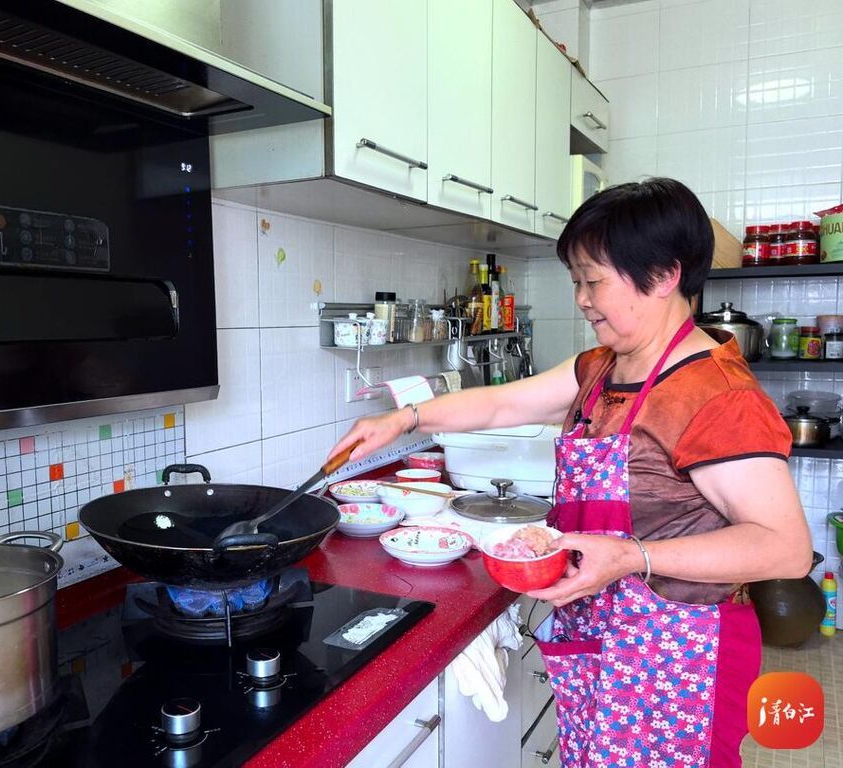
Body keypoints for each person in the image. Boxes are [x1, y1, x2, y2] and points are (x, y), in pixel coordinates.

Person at [329, 178, 811, 768]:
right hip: (600, 639)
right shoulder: (604, 367)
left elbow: (784, 548)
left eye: (593, 280)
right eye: (575, 280)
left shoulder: (717, 395)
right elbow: (502, 404)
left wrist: (630, 556)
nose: (581, 298)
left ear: (664, 276)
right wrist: (403, 419)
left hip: (678, 657)